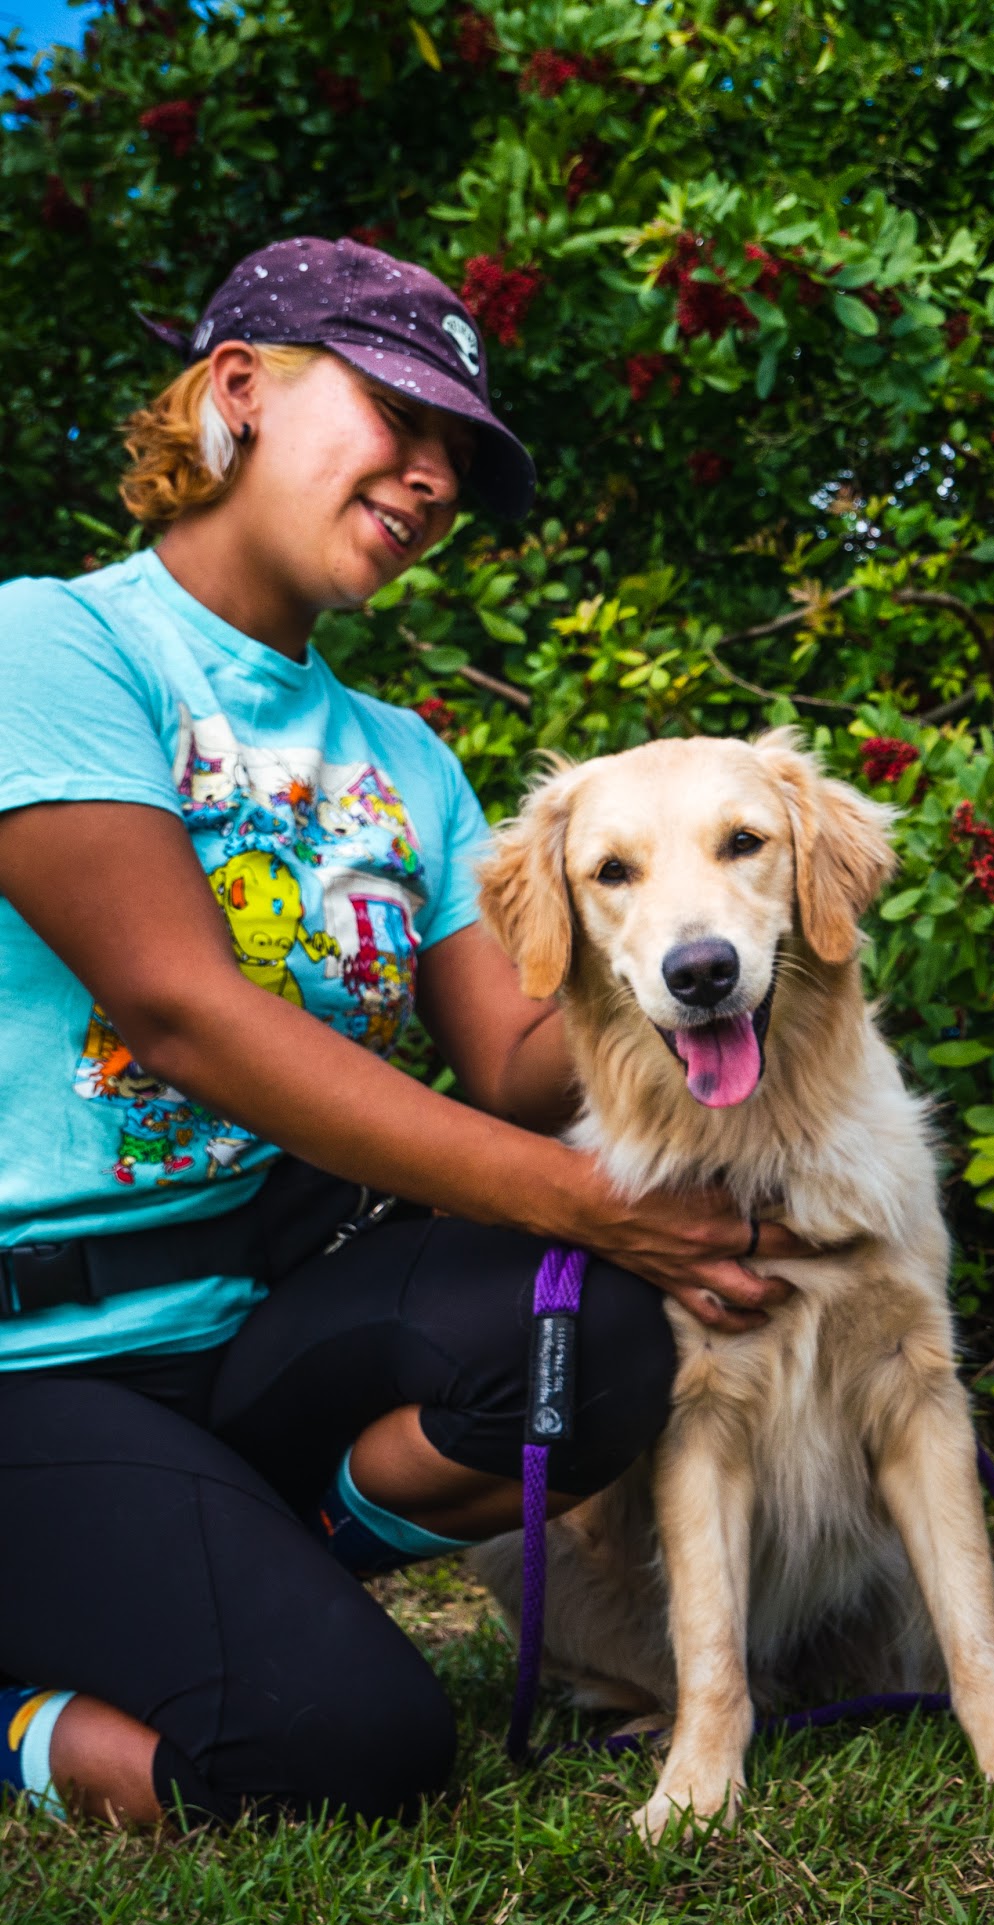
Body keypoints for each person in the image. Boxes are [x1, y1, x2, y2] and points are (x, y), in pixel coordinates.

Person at [0, 237, 814, 1828]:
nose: (433, 477)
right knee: (337, 1757)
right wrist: (599, 1203)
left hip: (262, 1321)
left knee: (607, 1342)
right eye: (397, 414)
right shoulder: (53, 647)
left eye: (462, 455)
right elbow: (182, 1014)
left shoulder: (402, 757)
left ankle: (239, 1560)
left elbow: (513, 1059)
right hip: (48, 1356)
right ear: (237, 390)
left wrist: (722, 935)